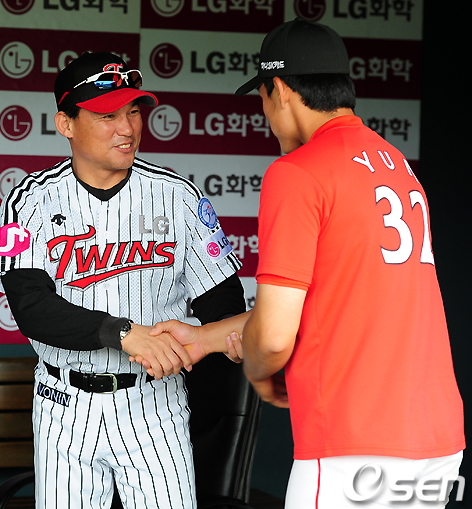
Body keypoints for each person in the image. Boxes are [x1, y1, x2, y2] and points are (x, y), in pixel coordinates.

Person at [149, 18, 465, 508]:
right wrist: (205, 339)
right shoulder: (397, 165)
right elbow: (326, 309)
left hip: (353, 445)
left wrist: (259, 370)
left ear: (279, 90)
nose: (264, 115)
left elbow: (274, 338)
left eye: (261, 98)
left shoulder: (298, 172)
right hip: (435, 441)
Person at [0, 51, 246, 509]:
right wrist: (124, 334)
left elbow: (223, 303)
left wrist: (208, 340)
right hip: (64, 403)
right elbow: (31, 308)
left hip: (154, 403)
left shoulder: (177, 196)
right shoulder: (30, 200)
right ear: (66, 124)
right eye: (107, 116)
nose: (127, 129)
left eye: (133, 111)